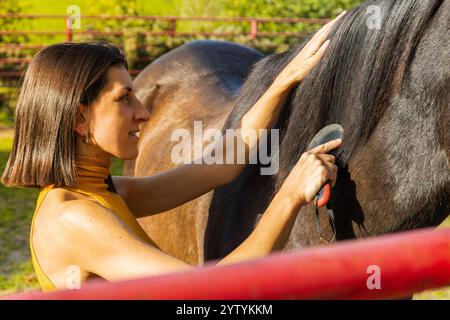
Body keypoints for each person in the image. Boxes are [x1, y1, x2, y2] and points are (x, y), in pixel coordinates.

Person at [1, 12, 345, 292]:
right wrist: (289, 195)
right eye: (124, 99)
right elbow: (210, 289)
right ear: (80, 118)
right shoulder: (75, 219)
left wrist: (283, 80)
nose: (143, 113)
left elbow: (219, 167)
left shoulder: (105, 192)